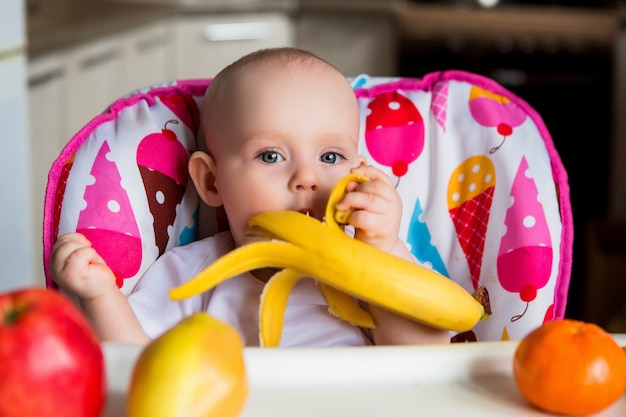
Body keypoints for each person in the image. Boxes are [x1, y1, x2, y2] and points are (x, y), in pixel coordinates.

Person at [50, 47, 449, 347]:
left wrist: (383, 248)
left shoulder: (366, 267)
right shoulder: (195, 274)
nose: (306, 178)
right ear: (211, 182)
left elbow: (424, 355)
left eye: (331, 156)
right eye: (270, 156)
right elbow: (137, 361)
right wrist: (100, 297)